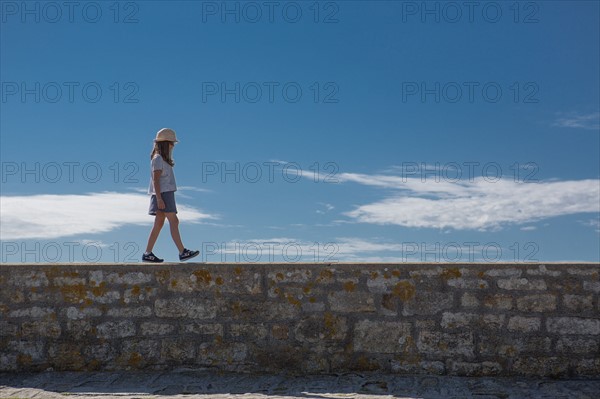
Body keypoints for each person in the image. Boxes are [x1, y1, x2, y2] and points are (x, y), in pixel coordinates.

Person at [143, 128, 200, 262]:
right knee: (174, 221)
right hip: (163, 193)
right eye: (171, 143)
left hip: (162, 193)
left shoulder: (160, 159)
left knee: (159, 223)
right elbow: (156, 180)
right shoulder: (158, 159)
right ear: (166, 143)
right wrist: (159, 198)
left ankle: (148, 253)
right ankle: (182, 252)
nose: (173, 146)